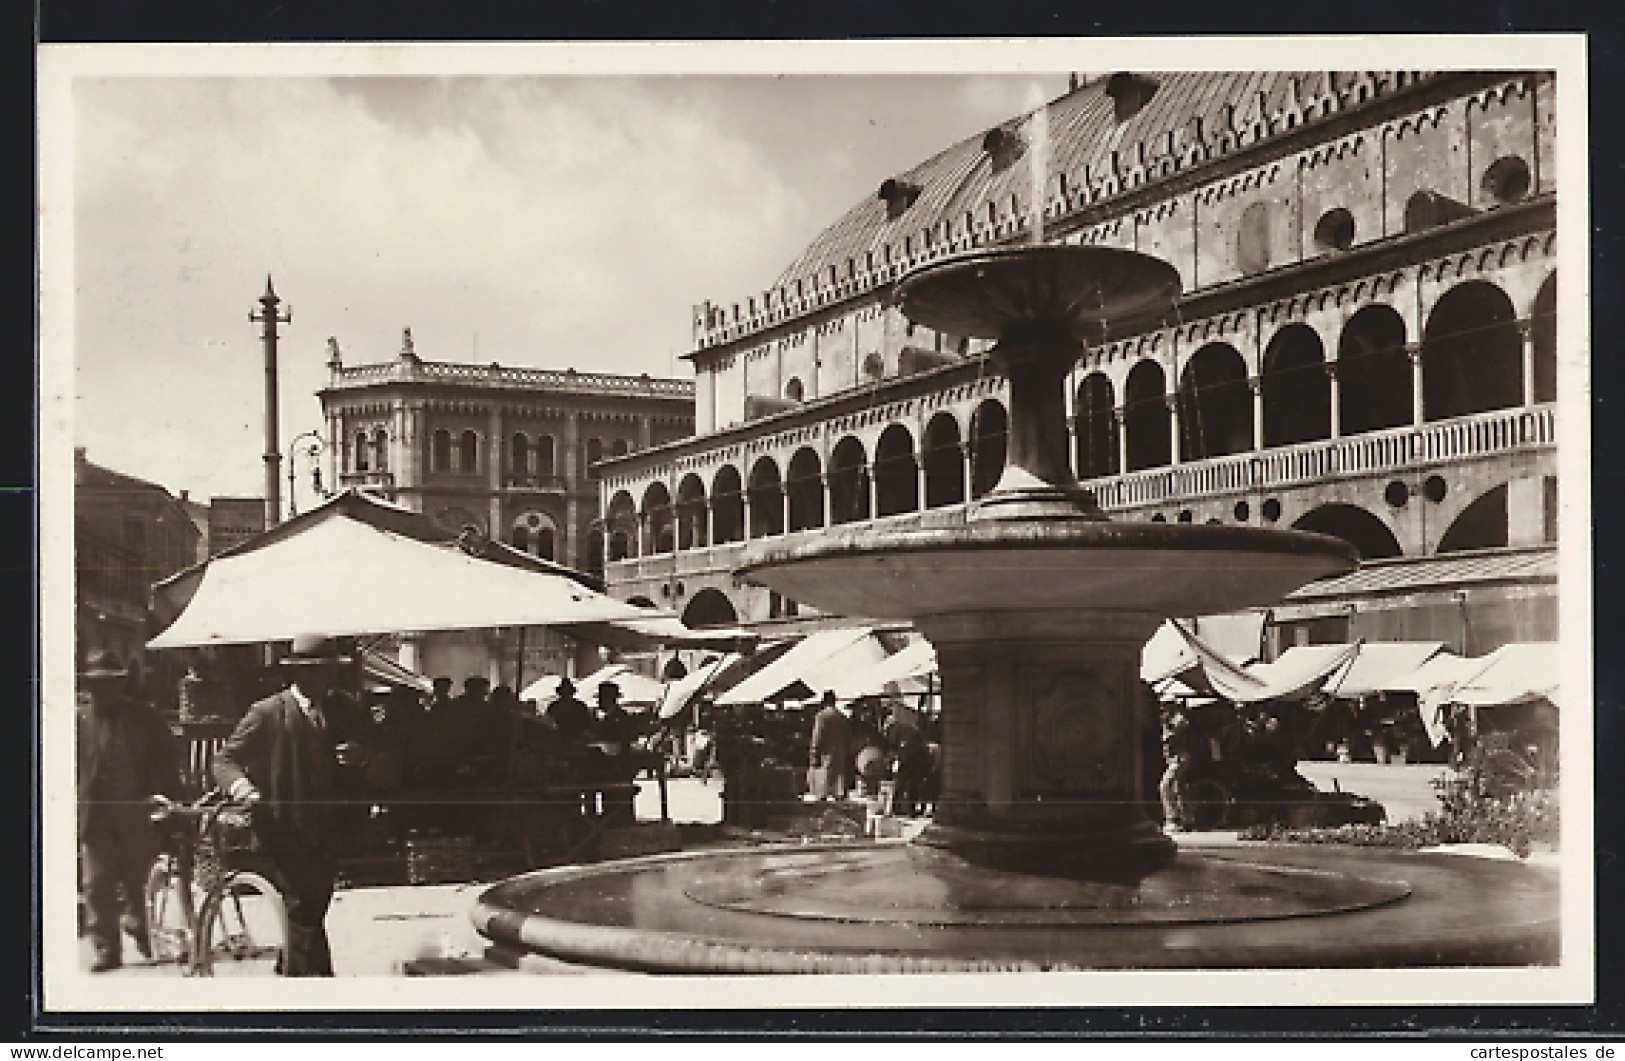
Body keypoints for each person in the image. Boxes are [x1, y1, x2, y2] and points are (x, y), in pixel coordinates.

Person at [212, 634, 366, 977]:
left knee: (313, 905)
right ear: (297, 674)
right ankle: (309, 984)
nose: (322, 679)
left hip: (329, 827)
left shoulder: (343, 708)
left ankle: (294, 972)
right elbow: (225, 760)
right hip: (283, 827)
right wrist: (244, 789)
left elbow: (373, 749)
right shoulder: (267, 713)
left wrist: (359, 755)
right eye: (314, 672)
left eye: (327, 671)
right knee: (301, 907)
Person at [77, 649, 182, 972]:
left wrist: (164, 795)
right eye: (96, 685)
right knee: (97, 882)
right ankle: (106, 948)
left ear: (121, 684)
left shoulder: (143, 717)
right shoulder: (79, 720)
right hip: (96, 812)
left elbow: (167, 756)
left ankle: (143, 931)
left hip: (136, 808)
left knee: (139, 878)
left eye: (109, 684)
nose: (103, 691)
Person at [807, 690, 851, 801]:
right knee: (839, 782)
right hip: (840, 752)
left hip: (826, 753)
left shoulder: (822, 716)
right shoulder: (842, 717)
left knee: (825, 782)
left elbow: (817, 736)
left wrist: (814, 753)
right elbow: (848, 736)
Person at [1158, 705, 1193, 833]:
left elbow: (1172, 736)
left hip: (1179, 757)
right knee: (1179, 788)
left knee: (1165, 786)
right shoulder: (1170, 720)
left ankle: (1173, 818)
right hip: (1177, 758)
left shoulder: (1178, 720)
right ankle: (1186, 818)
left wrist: (1168, 728)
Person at [547, 678, 593, 744]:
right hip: (558, 740)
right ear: (560, 693)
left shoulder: (580, 706)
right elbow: (548, 724)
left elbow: (587, 724)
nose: (566, 694)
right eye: (564, 691)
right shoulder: (553, 707)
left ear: (571, 693)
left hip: (577, 740)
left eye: (567, 691)